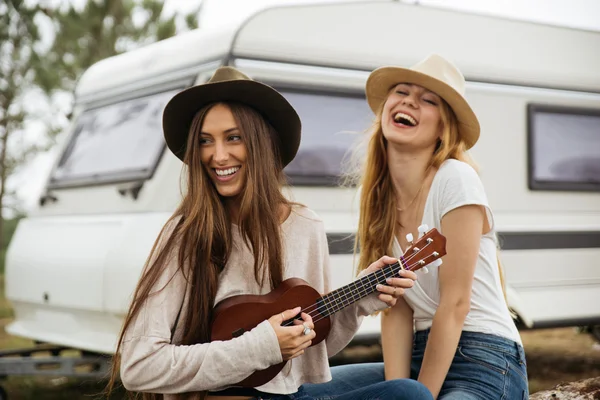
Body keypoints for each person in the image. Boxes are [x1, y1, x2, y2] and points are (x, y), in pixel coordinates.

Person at [105, 66, 434, 400]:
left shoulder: (306, 225)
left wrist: (360, 302)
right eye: (206, 141)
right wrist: (260, 346)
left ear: (262, 144)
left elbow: (309, 348)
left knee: (408, 385)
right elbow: (138, 367)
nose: (218, 156)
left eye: (234, 137)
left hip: (286, 392)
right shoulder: (185, 234)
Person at [351, 54, 529, 399]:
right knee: (306, 389)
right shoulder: (374, 195)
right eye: (401, 91)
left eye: (428, 99)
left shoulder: (455, 178)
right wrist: (400, 390)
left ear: (443, 129)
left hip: (484, 355)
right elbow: (397, 310)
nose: (409, 101)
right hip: (420, 353)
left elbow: (456, 304)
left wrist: (420, 396)